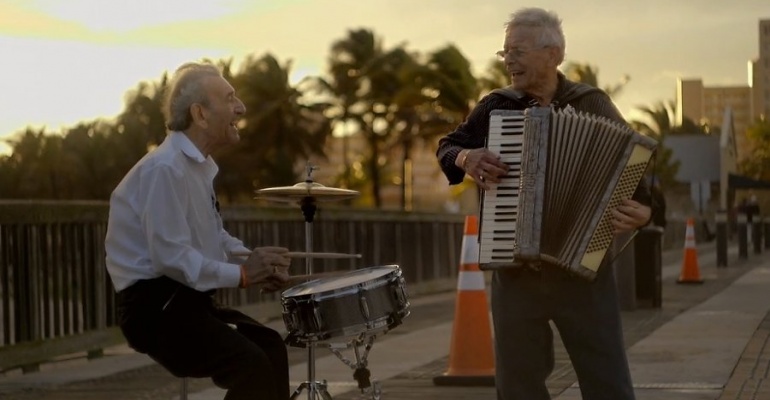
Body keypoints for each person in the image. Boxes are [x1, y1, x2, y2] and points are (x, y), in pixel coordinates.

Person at [436, 8, 652, 400]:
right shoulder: (496, 106)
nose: (509, 61)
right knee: (519, 388)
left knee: (608, 384)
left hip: (582, 273)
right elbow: (448, 146)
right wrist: (466, 159)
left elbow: (639, 168)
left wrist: (646, 212)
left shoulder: (593, 103)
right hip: (515, 272)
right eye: (505, 53)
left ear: (553, 55)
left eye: (517, 51)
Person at [105, 62, 292, 400]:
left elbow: (214, 237)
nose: (241, 107)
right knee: (250, 366)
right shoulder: (164, 169)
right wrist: (244, 276)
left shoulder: (195, 167)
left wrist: (255, 263)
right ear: (200, 114)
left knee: (270, 345)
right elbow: (171, 257)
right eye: (230, 98)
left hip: (185, 301)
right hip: (157, 309)